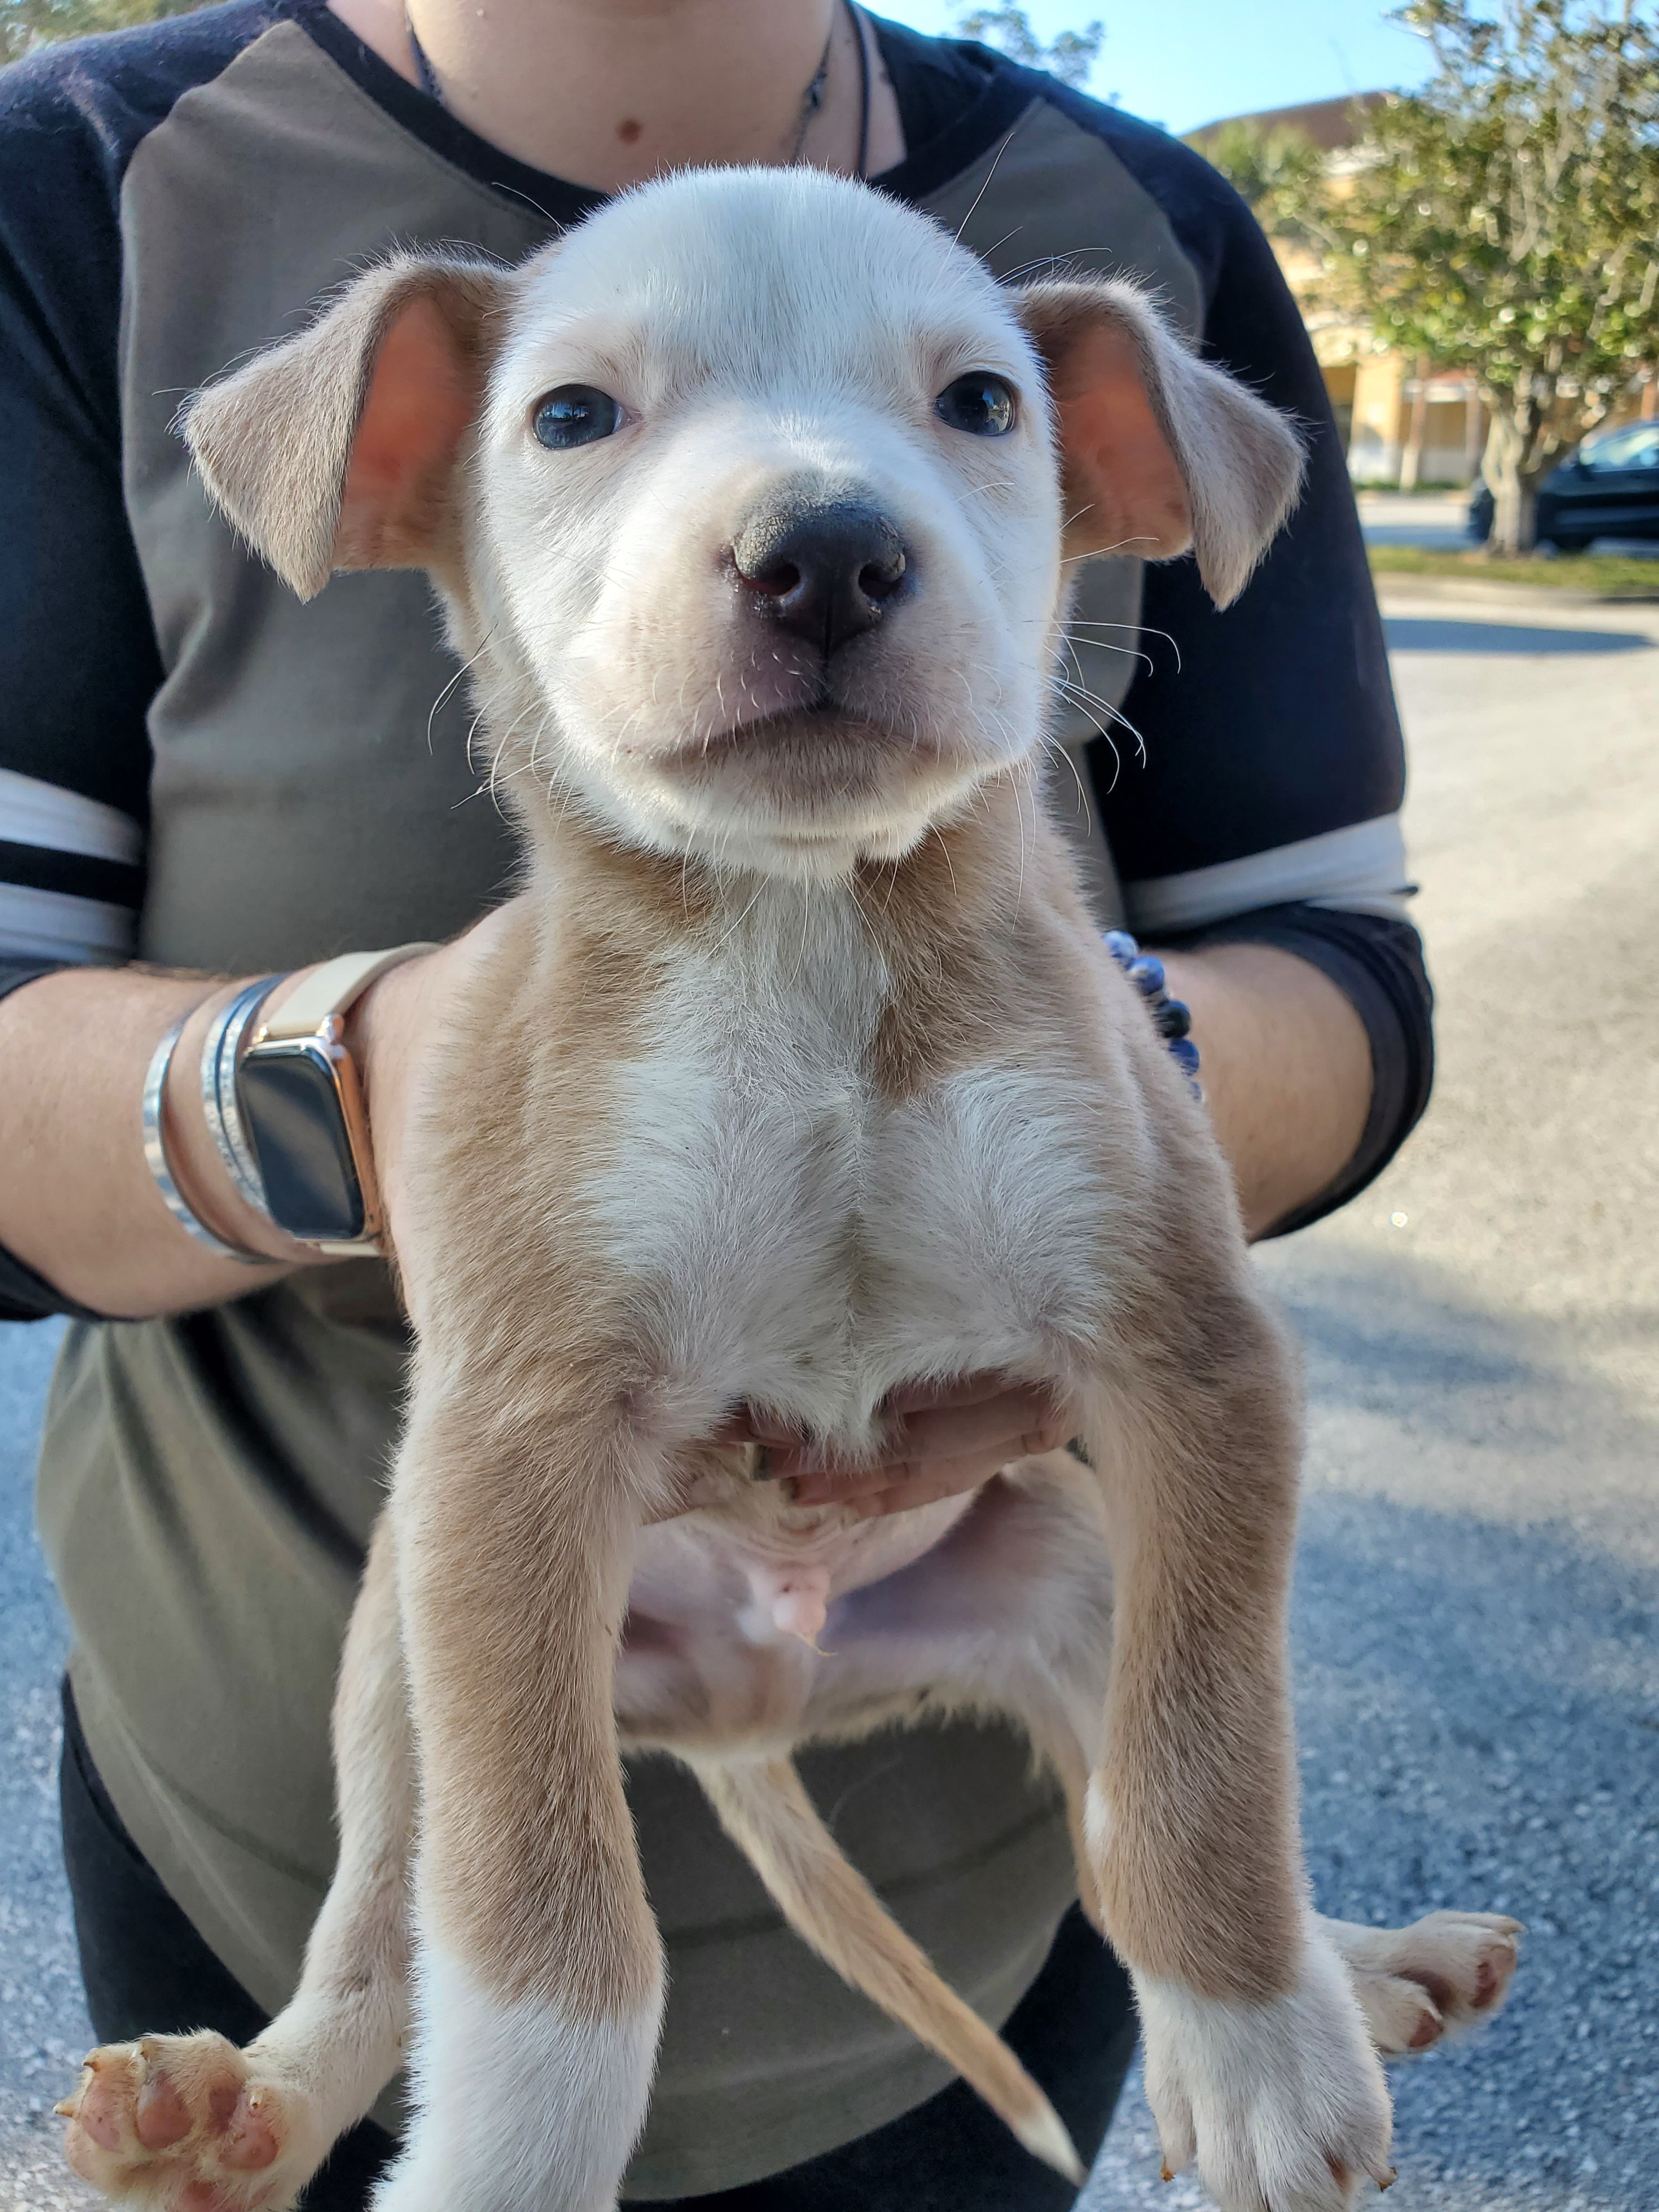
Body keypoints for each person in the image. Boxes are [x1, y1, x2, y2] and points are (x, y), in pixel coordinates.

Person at [0, 2, 1431, 2204]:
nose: (825, 531)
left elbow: (1348, 980)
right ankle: (362, 2021)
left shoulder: (1137, 215)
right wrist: (366, 1090)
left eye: (968, 410)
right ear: (411, 470)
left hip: (965, 1925)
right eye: (581, 416)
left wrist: (1086, 1113)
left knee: (1102, 1586)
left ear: (1098, 475)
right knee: (470, 1549)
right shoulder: (82, 178)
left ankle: (1240, 1928)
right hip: (247, 1796)